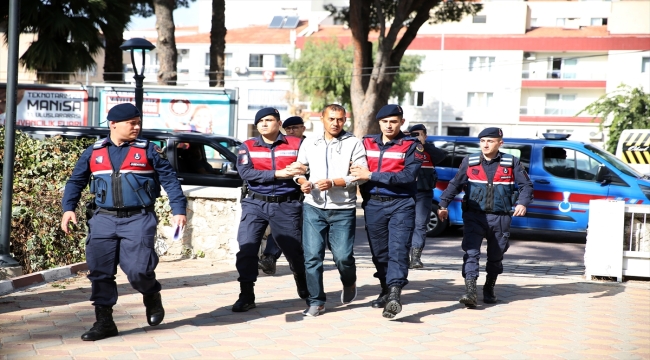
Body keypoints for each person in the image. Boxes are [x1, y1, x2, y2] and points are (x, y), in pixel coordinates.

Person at [60, 103, 188, 341]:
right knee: (100, 272)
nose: (137, 127)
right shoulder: (93, 152)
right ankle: (104, 322)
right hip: (102, 219)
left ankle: (151, 294)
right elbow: (75, 181)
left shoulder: (148, 150)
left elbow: (170, 180)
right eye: (132, 123)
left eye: (138, 122)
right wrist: (68, 209)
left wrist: (178, 209)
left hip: (138, 218)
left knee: (138, 270)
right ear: (113, 124)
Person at [437, 127, 533, 307]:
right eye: (482, 141)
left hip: (500, 217)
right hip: (474, 215)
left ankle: (489, 287)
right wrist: (443, 204)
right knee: (471, 252)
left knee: (496, 256)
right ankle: (470, 290)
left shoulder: (511, 162)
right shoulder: (470, 161)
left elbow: (526, 186)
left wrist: (522, 203)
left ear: (500, 143)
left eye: (490, 141)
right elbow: (455, 184)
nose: (485, 144)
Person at [294, 104, 368, 317]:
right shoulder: (310, 142)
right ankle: (316, 301)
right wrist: (302, 182)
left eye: (340, 119)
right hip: (313, 207)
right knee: (312, 257)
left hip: (342, 209)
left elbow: (359, 175)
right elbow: (300, 169)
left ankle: (349, 281)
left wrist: (335, 182)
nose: (336, 123)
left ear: (345, 120)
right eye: (331, 119)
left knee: (343, 257)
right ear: (323, 120)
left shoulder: (354, 143)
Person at [350, 104, 423, 319]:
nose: (389, 125)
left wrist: (371, 175)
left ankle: (394, 295)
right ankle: (385, 289)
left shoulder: (412, 145)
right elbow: (353, 167)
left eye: (394, 121)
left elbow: (408, 176)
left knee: (398, 250)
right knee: (379, 252)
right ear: (379, 123)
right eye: (385, 121)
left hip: (401, 204)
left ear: (402, 122)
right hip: (373, 204)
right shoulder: (366, 142)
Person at [233, 107, 309, 312]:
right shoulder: (247, 146)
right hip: (255, 203)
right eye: (261, 121)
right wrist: (278, 173)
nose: (264, 124)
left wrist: (304, 170)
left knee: (294, 250)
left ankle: (303, 282)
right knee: (247, 248)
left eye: (269, 120)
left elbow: (309, 165)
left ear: (279, 123)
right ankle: (246, 294)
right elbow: (246, 172)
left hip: (287, 203)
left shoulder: (298, 143)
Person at [258, 115, 307, 275]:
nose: (292, 131)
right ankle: (271, 257)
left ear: (303, 128)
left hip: (308, 195)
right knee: (282, 230)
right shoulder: (282, 145)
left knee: (298, 233)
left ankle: (299, 264)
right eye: (289, 129)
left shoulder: (310, 145)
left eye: (296, 128)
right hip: (285, 197)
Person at [407, 124, 446, 269]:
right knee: (403, 225)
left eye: (418, 134)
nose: (415, 137)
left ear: (425, 135)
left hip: (423, 193)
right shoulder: (405, 146)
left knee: (420, 224)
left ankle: (415, 258)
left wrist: (423, 144)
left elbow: (441, 156)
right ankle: (402, 256)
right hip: (405, 192)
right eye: (413, 134)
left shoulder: (430, 149)